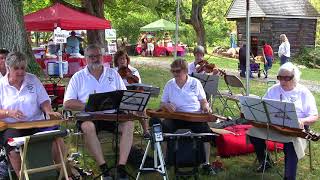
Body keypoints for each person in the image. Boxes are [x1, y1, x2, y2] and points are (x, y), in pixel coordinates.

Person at [63, 44, 133, 180]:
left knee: (129, 124)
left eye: (98, 56)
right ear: (85, 59)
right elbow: (67, 103)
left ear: (103, 57)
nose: (95, 59)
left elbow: (124, 96)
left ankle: (121, 168)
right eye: (91, 56)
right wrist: (88, 105)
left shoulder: (113, 74)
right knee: (88, 126)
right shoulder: (78, 77)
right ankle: (104, 168)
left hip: (112, 116)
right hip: (90, 117)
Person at [247, 62, 318, 180]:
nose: (283, 81)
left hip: (295, 128)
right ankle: (265, 161)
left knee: (291, 145)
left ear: (295, 78)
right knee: (253, 133)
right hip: (274, 125)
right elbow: (262, 107)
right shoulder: (273, 90)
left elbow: (314, 116)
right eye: (280, 78)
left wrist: (302, 120)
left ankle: (289, 177)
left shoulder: (303, 92)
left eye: (287, 78)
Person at [0, 52, 65, 177]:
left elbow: (44, 100)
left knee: (57, 137)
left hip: (36, 122)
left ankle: (61, 173)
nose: (20, 72)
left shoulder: (32, 79)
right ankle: (23, 177)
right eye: (16, 68)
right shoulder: (1, 85)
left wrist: (48, 111)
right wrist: (9, 112)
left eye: (23, 68)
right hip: (12, 127)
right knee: (12, 147)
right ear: (8, 68)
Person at [152, 59, 216, 175]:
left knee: (206, 132)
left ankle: (206, 164)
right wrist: (167, 105)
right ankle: (167, 161)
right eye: (173, 71)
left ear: (186, 71)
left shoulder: (195, 83)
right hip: (175, 117)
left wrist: (206, 107)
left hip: (194, 116)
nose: (175, 74)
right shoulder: (170, 84)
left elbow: (203, 101)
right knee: (165, 129)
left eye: (178, 71)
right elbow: (161, 104)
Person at [113, 50, 150, 137]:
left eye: (124, 59)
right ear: (116, 61)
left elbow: (139, 85)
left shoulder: (133, 71)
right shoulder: (113, 72)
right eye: (120, 59)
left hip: (132, 95)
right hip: (118, 98)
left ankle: (146, 131)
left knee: (142, 107)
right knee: (125, 109)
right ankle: (124, 128)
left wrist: (131, 76)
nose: (122, 61)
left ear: (127, 60)